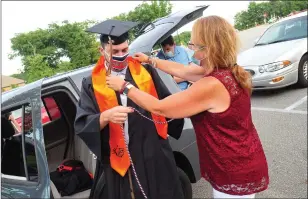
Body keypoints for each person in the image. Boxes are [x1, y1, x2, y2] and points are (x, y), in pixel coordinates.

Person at [106, 16, 269, 199]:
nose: (192, 54)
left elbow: (160, 108)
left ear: (209, 49)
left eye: (195, 46)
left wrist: (124, 86)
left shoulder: (212, 85)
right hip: (242, 157)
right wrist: (151, 60)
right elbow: (183, 71)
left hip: (234, 168)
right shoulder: (228, 69)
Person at [74, 19, 185, 199]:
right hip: (121, 156)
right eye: (114, 51)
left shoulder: (145, 71)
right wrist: (105, 116)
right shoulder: (91, 83)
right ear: (102, 51)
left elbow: (166, 103)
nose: (121, 54)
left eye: (125, 50)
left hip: (154, 149)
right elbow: (82, 122)